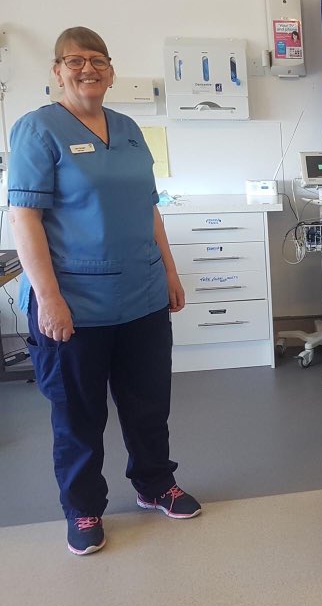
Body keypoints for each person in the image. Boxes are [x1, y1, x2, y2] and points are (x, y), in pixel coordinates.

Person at [8, 27, 201, 556]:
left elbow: (149, 207)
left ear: (111, 70)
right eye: (74, 60)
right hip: (74, 302)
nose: (87, 69)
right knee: (78, 415)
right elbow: (23, 217)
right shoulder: (36, 129)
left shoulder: (130, 128)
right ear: (57, 70)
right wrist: (48, 299)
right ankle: (84, 507)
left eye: (97, 61)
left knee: (147, 404)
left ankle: (155, 484)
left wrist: (169, 271)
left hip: (140, 294)